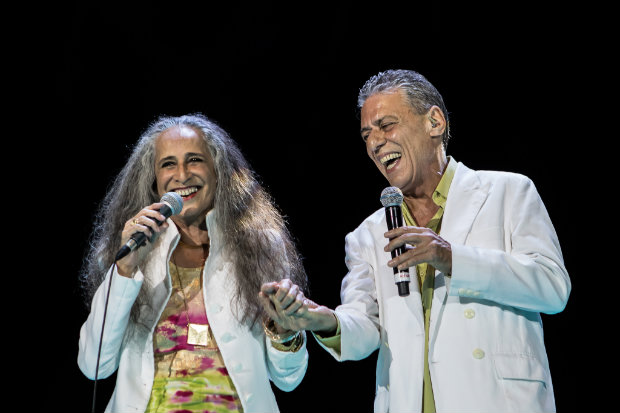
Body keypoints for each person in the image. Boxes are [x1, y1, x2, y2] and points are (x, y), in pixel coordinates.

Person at [262, 69, 571, 413]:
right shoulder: (368, 234)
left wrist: (454, 259)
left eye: (386, 125)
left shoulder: (508, 192)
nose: (375, 143)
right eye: (366, 134)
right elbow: (365, 329)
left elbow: (553, 286)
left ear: (434, 122)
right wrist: (321, 319)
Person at [78, 114, 309, 413]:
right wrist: (125, 269)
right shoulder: (131, 250)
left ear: (218, 171)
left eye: (194, 160)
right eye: (168, 164)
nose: (182, 175)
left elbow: (288, 378)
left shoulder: (260, 246)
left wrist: (285, 331)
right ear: (154, 178)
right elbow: (94, 365)